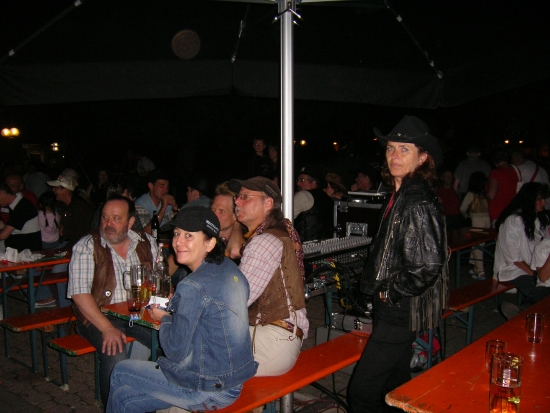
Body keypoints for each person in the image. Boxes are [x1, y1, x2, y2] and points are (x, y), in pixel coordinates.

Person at [106, 206, 256, 413]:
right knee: (124, 398)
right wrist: (177, 304)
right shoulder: (230, 269)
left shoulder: (192, 285)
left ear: (210, 243)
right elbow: (210, 311)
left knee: (120, 370)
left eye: (189, 235)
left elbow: (175, 351)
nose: (178, 242)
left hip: (206, 387)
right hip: (234, 380)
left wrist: (165, 318)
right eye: (177, 234)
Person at [348, 115, 447, 413]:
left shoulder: (415, 198)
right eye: (391, 148)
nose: (394, 155)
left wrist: (389, 292)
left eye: (405, 149)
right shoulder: (402, 193)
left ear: (423, 157)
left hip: (399, 308)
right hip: (397, 305)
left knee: (362, 391)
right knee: (396, 385)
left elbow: (428, 265)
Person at [68, 195, 160, 406]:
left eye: (116, 218)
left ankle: (150, 398)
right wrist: (107, 328)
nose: (108, 224)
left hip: (138, 313)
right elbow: (79, 294)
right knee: (116, 353)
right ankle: (113, 407)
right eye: (105, 217)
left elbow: (158, 278)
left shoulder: (146, 242)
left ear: (130, 222)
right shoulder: (87, 246)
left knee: (167, 342)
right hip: (98, 315)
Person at [229, 176, 308, 376]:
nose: (237, 201)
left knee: (198, 344)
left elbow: (235, 301)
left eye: (245, 197)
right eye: (238, 196)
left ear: (268, 204)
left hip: (272, 342)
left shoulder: (263, 242)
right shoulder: (279, 232)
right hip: (282, 338)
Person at [494, 183, 550, 319]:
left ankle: (526, 313)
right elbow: (512, 257)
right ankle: (524, 313)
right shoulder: (513, 220)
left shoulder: (537, 219)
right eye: (540, 199)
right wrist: (533, 273)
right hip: (513, 268)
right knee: (540, 288)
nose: (544, 203)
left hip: (531, 266)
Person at [48, 168, 95, 307]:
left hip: (78, 247)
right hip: (67, 244)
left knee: (57, 271)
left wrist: (65, 231)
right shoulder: (67, 206)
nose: (53, 190)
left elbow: (83, 233)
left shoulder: (80, 207)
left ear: (65, 190)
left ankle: (67, 306)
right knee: (43, 260)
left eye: (56, 188)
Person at [459, 171, 491, 280]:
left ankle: (481, 272)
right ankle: (475, 267)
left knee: (477, 245)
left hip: (476, 220)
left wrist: (466, 215)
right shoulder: (486, 194)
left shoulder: (471, 194)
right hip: (487, 220)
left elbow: (462, 208)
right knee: (479, 244)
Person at [294, 166, 334, 242]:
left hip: (305, 246)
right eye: (297, 180)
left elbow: (284, 217)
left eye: (302, 180)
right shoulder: (328, 198)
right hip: (325, 245)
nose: (298, 183)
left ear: (313, 182)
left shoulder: (303, 195)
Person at [486, 145, 518, 226]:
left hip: (499, 212)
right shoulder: (515, 170)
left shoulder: (496, 173)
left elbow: (491, 195)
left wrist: (484, 194)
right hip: (513, 211)